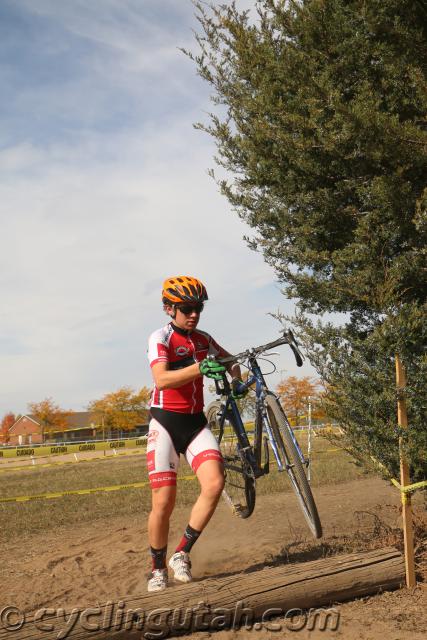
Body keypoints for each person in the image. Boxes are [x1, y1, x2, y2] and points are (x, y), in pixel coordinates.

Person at [146, 275, 245, 592]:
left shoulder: (203, 339)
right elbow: (161, 380)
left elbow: (230, 360)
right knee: (164, 503)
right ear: (168, 308)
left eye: (198, 308)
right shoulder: (159, 337)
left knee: (215, 483)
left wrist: (237, 378)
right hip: (165, 423)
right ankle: (157, 569)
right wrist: (201, 368)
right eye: (187, 308)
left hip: (195, 423)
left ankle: (180, 555)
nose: (194, 314)